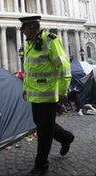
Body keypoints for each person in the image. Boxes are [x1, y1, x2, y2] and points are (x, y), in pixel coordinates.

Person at [19, 15, 75, 176]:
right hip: (35, 95)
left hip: (49, 94)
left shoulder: (51, 40)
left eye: (24, 27)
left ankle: (41, 165)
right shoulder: (29, 44)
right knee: (42, 124)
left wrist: (63, 92)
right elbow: (29, 71)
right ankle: (66, 138)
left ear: (32, 27)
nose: (22, 31)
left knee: (43, 131)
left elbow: (64, 67)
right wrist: (25, 88)